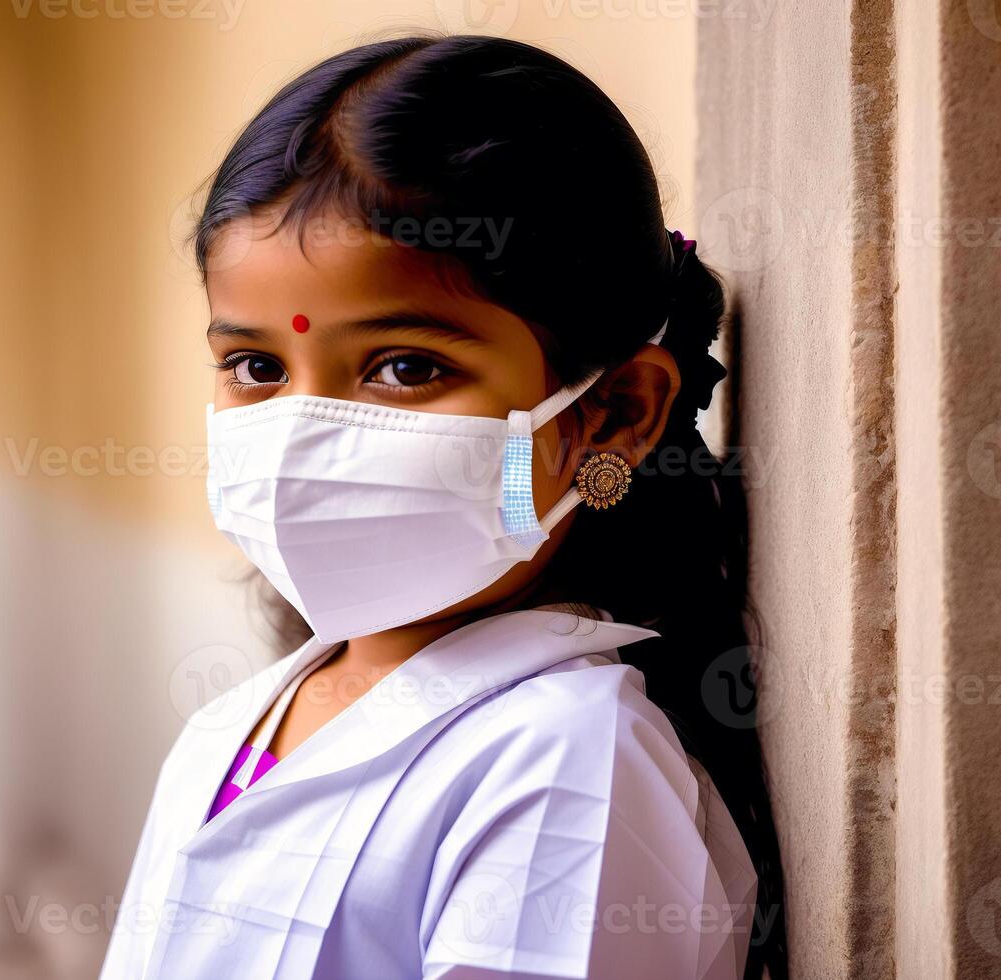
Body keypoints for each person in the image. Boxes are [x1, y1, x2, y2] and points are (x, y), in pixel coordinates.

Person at [101, 34, 786, 980]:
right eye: (256, 367)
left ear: (613, 414)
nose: (304, 434)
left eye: (405, 369)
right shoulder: (236, 727)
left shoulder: (565, 769)